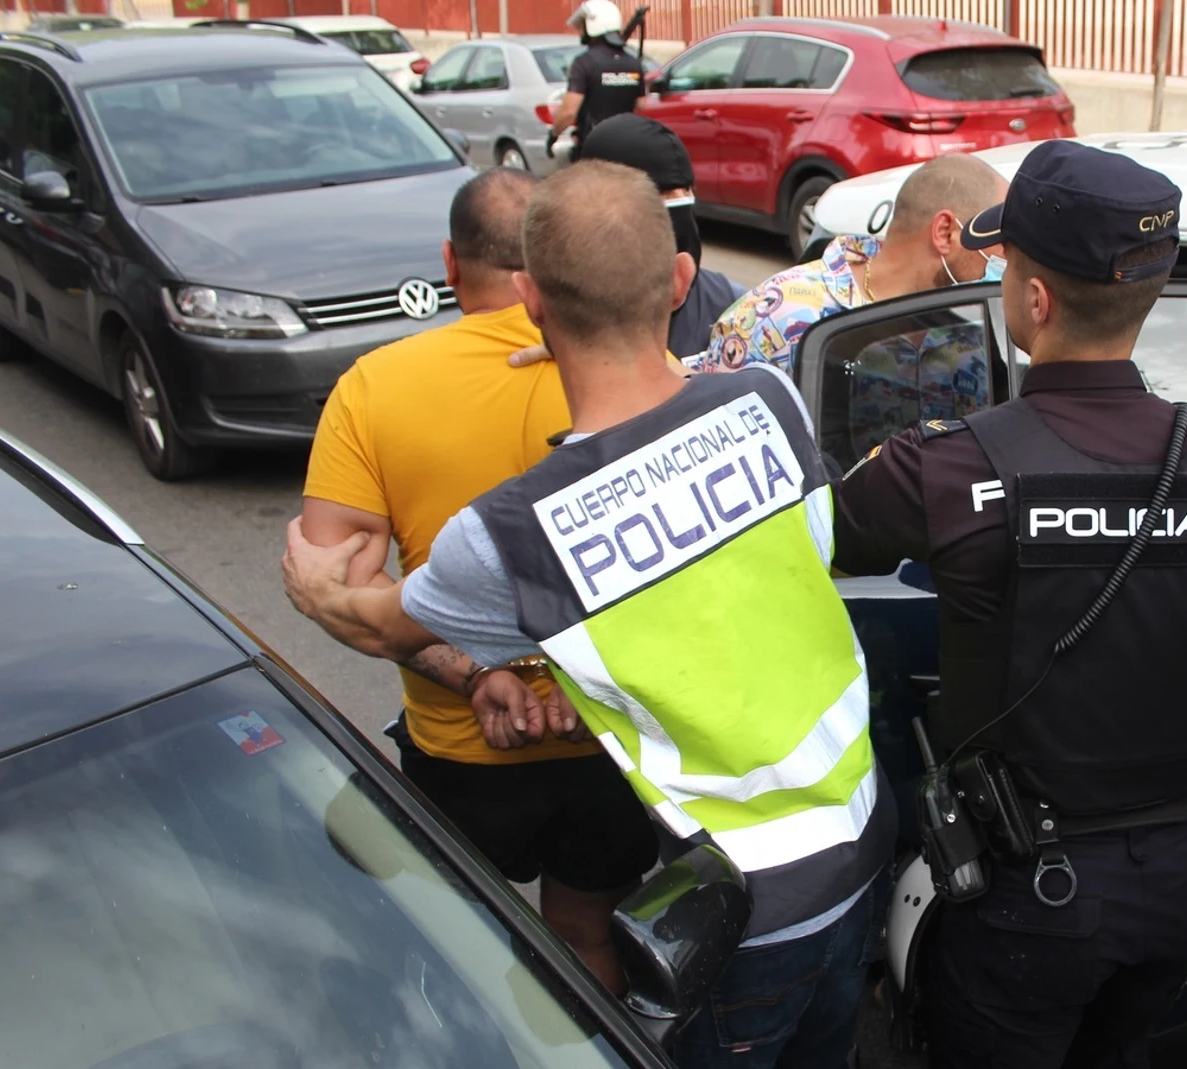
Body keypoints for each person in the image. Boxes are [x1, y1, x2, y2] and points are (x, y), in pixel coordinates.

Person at [284, 161, 894, 1069]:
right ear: (682, 281)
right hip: (863, 843)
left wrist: (317, 588)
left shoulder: (511, 532)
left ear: (530, 299)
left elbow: (380, 623)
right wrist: (621, 353)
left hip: (745, 916)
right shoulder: (771, 401)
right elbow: (691, 413)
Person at [830, 140, 1187, 1068]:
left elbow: (819, 531)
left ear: (1034, 300)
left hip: (1029, 902)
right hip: (1185, 884)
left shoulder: (953, 464)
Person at [298, 167, 656, 992]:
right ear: (542, 273)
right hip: (604, 738)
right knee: (583, 933)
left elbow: (340, 586)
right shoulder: (636, 369)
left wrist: (479, 673)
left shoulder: (373, 386)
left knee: (460, 949)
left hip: (458, 744)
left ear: (450, 265)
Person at [698, 151, 1006, 376]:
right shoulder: (775, 318)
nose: (1007, 258)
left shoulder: (971, 327)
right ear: (945, 233)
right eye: (1001, 240)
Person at [543, 114, 743, 360]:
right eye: (659, 195)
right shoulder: (558, 320)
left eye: (686, 191)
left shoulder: (732, 305)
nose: (679, 208)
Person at [550, 0, 645, 159]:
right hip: (628, 148)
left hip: (594, 150)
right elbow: (642, 106)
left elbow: (568, 112)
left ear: (593, 25)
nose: (580, 31)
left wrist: (553, 134)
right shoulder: (633, 63)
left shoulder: (584, 63)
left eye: (583, 26)